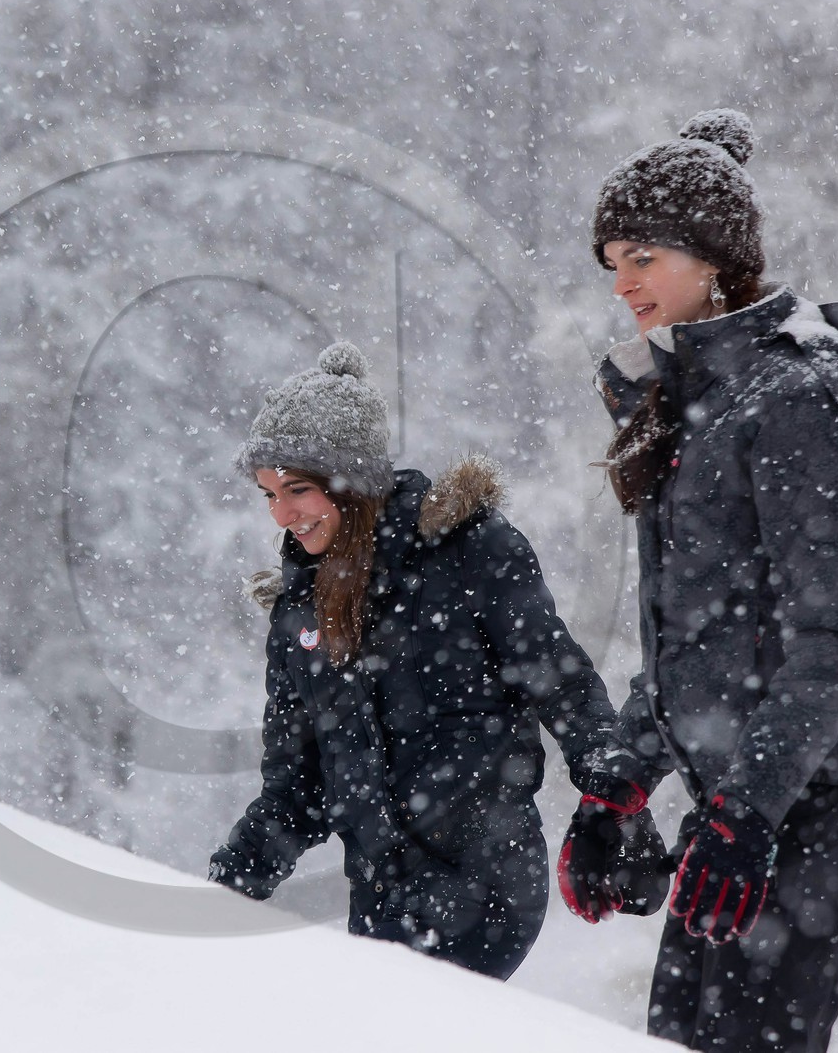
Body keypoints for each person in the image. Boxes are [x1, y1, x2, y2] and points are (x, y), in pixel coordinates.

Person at [556, 109, 838, 1052]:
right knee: (675, 1037)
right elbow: (699, 640)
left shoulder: (798, 399)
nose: (623, 282)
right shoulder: (691, 403)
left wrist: (748, 809)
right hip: (738, 800)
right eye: (612, 262)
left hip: (818, 795)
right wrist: (620, 784)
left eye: (643, 255)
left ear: (714, 258)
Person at [207, 340, 659, 979]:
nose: (282, 514)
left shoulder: (467, 552)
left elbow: (561, 683)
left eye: (298, 488)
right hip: (382, 902)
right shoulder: (299, 613)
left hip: (488, 888)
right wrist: (231, 883)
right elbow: (299, 781)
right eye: (267, 494)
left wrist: (618, 807)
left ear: (351, 480)